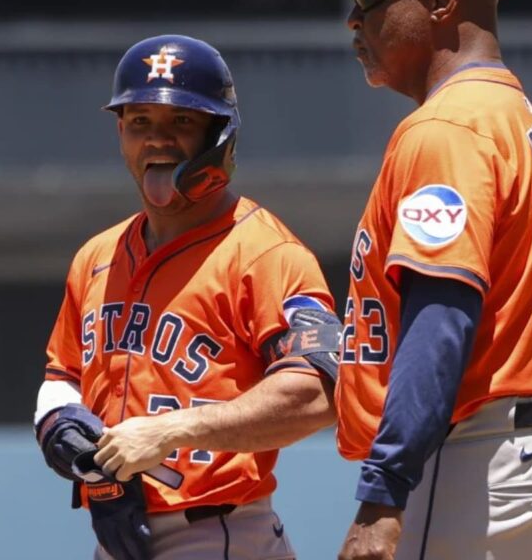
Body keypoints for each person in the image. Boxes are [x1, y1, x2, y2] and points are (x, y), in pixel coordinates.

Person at [320, 0, 532, 559]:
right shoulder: (517, 118)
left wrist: (383, 493)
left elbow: (441, 318)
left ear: (444, 2)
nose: (353, 21)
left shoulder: (447, 125)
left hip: (476, 456)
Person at [34, 34, 343, 560]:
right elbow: (62, 376)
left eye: (181, 122)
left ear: (218, 135)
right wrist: (59, 426)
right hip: (118, 533)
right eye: (140, 123)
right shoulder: (97, 256)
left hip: (219, 531)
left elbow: (320, 393)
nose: (157, 140)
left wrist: (170, 431)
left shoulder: (265, 252)